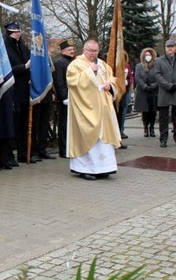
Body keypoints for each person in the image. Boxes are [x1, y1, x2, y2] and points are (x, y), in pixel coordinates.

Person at [66, 39, 121, 180]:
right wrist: (90, 72)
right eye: (91, 51)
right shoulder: (76, 65)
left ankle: (105, 167)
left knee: (103, 139)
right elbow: (73, 82)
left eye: (96, 51)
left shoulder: (102, 64)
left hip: (103, 108)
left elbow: (111, 79)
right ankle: (85, 169)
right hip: (85, 108)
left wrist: (110, 86)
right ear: (84, 50)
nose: (93, 54)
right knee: (87, 136)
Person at [4, 22, 38, 163]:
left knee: (25, 123)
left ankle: (25, 153)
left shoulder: (22, 46)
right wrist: (24, 67)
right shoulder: (5, 48)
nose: (17, 34)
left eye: (18, 31)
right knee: (14, 125)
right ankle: (12, 153)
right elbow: (7, 69)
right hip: (13, 90)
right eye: (14, 32)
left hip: (25, 89)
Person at [154, 39, 176, 148]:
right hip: (164, 92)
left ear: (175, 48)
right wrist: (168, 85)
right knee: (163, 118)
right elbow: (158, 75)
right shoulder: (159, 61)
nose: (170, 48)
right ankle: (163, 139)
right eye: (168, 46)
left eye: (172, 46)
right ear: (165, 48)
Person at [52, 39, 75, 158]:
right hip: (65, 100)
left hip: (74, 98)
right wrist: (64, 97)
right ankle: (64, 150)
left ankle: (71, 147)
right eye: (69, 50)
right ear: (63, 51)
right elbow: (59, 82)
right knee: (64, 125)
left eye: (73, 49)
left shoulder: (73, 62)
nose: (72, 51)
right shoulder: (59, 63)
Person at [134, 48, 158, 138]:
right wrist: (144, 86)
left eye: (150, 55)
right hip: (143, 91)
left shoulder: (156, 66)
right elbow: (137, 77)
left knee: (153, 111)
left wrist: (153, 86)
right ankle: (145, 128)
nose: (148, 56)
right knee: (145, 111)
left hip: (153, 91)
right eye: (146, 55)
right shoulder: (139, 66)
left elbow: (159, 76)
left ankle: (152, 128)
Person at [117, 59, 134, 142]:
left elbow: (130, 77)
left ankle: (121, 131)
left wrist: (127, 81)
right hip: (115, 91)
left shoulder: (126, 66)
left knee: (123, 112)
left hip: (125, 91)